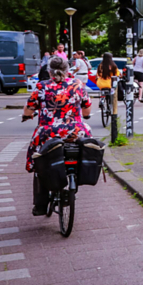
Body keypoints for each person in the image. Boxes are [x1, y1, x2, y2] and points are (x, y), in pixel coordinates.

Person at [22, 56, 92, 215]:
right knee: (83, 145)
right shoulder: (77, 84)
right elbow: (86, 110)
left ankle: (40, 204)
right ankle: (77, 175)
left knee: (39, 161)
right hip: (76, 131)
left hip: (49, 133)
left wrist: (27, 115)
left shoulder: (42, 86)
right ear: (68, 70)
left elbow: (28, 108)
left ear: (49, 71)